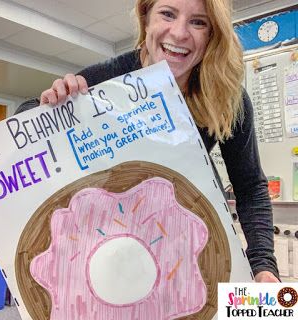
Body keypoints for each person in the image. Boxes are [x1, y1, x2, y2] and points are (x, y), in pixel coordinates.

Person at [19, 0, 279, 282]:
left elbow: (250, 186)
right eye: (167, 14)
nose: (179, 33)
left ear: (212, 33)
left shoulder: (226, 96)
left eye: (198, 22)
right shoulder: (108, 78)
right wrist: (51, 102)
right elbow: (25, 122)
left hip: (190, 238)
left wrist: (263, 264)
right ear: (146, 19)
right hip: (110, 244)